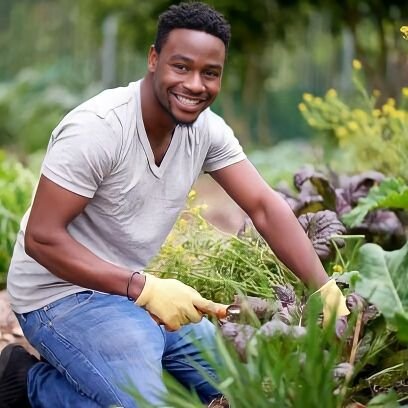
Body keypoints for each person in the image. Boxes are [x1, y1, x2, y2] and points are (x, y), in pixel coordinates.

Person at [0, 2, 349, 407]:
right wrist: (141, 287)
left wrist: (322, 287)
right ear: (154, 59)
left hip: (132, 291)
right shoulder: (97, 130)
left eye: (210, 73)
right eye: (181, 67)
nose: (196, 84)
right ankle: (28, 383)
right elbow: (42, 239)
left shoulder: (206, 131)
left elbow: (263, 206)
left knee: (249, 392)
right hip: (57, 296)